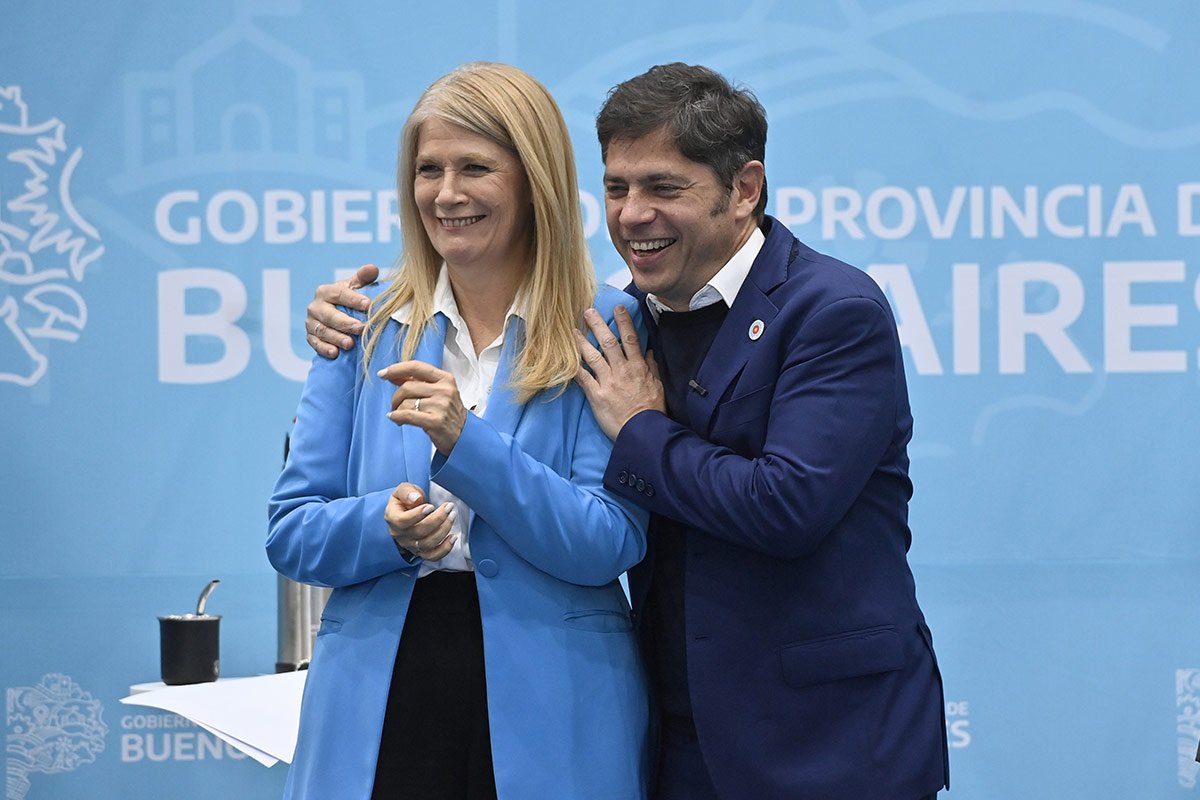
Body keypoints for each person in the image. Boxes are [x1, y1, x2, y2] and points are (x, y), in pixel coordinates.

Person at [306, 63, 948, 800]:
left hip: (826, 740)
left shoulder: (832, 309)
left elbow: (785, 507)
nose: (633, 214)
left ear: (744, 189)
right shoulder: (622, 317)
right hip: (678, 738)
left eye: (663, 188)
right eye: (617, 188)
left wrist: (640, 428)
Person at [268, 62, 650, 800]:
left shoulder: (608, 324)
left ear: (534, 181)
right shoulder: (361, 322)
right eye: (428, 169)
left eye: (475, 168)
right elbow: (291, 531)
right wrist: (385, 528)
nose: (446, 194)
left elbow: (609, 540)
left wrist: (466, 443)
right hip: (382, 693)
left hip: (557, 701)